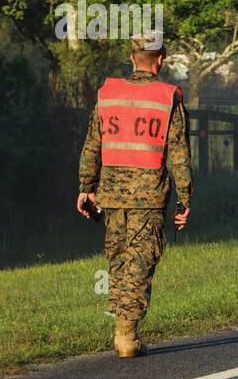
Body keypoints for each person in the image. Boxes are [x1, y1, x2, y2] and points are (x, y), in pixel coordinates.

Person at [76, 31, 193, 357]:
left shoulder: (108, 94)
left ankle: (123, 327)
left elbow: (91, 146)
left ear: (132, 59)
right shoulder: (167, 97)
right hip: (149, 198)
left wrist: (86, 187)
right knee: (140, 260)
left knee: (118, 258)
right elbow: (179, 155)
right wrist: (185, 198)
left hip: (111, 196)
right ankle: (126, 335)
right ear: (160, 60)